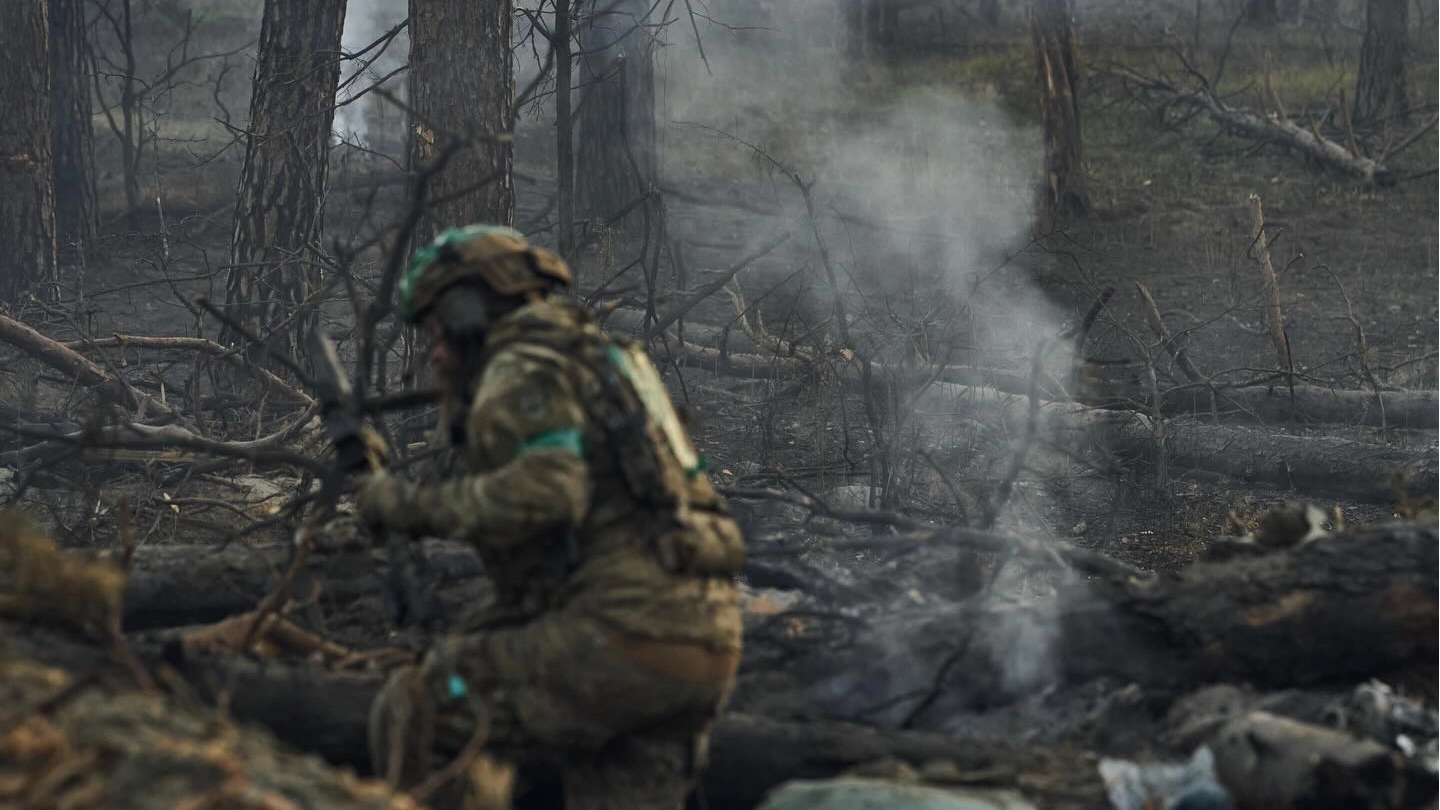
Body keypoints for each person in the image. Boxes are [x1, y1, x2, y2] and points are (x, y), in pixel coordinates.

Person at [356, 224, 745, 810]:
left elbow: (546, 496)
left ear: (466, 314)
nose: (434, 352)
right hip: (702, 646)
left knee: (423, 700)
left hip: (617, 640)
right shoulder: (614, 364)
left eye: (436, 331)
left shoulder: (522, 366)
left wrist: (403, 505)